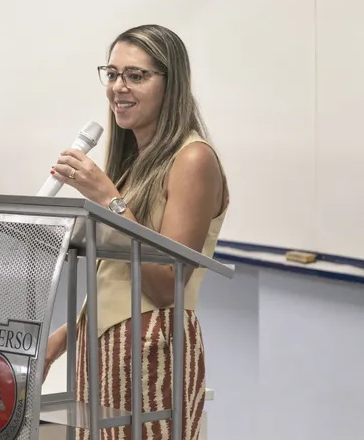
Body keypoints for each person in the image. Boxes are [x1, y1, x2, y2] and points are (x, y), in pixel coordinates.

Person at [44, 25, 229, 440]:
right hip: (104, 349)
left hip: (152, 352)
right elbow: (114, 276)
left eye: (136, 76)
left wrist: (109, 199)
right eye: (111, 74)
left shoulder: (194, 158)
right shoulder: (135, 163)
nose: (118, 88)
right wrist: (62, 338)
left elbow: (167, 285)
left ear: (172, 84)